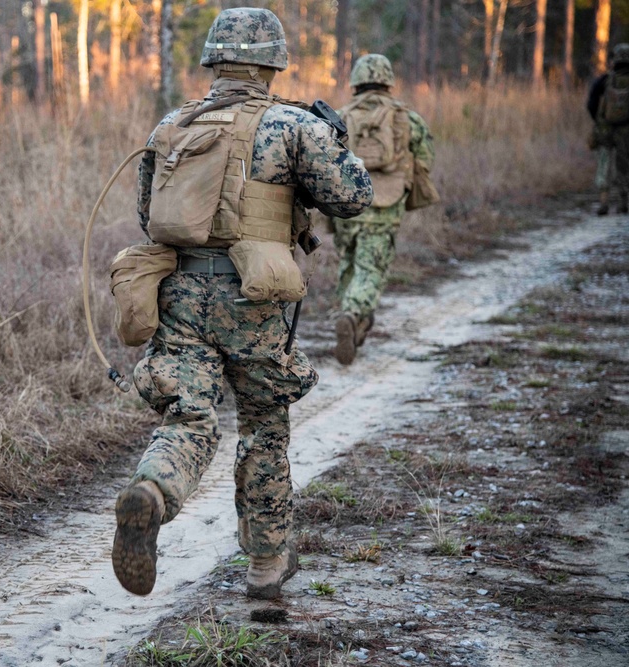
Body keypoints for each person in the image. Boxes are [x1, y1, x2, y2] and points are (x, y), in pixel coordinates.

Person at [111, 7, 372, 600]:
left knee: (189, 416)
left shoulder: (173, 125)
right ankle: (265, 564)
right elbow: (355, 196)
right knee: (262, 426)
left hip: (179, 293)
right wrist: (333, 141)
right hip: (254, 298)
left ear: (214, 61)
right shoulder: (291, 125)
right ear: (273, 63)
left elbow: (146, 214)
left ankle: (151, 492)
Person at [330, 54, 439, 366]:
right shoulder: (407, 118)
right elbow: (425, 158)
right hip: (385, 202)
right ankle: (352, 314)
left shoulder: (339, 116)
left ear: (356, 81)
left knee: (349, 262)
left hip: (346, 203)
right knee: (371, 268)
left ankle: (353, 320)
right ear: (389, 81)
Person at [590, 44, 629, 216]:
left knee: (603, 165)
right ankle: (623, 203)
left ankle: (603, 202)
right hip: (625, 130)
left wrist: (599, 121)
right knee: (624, 165)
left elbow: (591, 103)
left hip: (605, 128)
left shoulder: (604, 80)